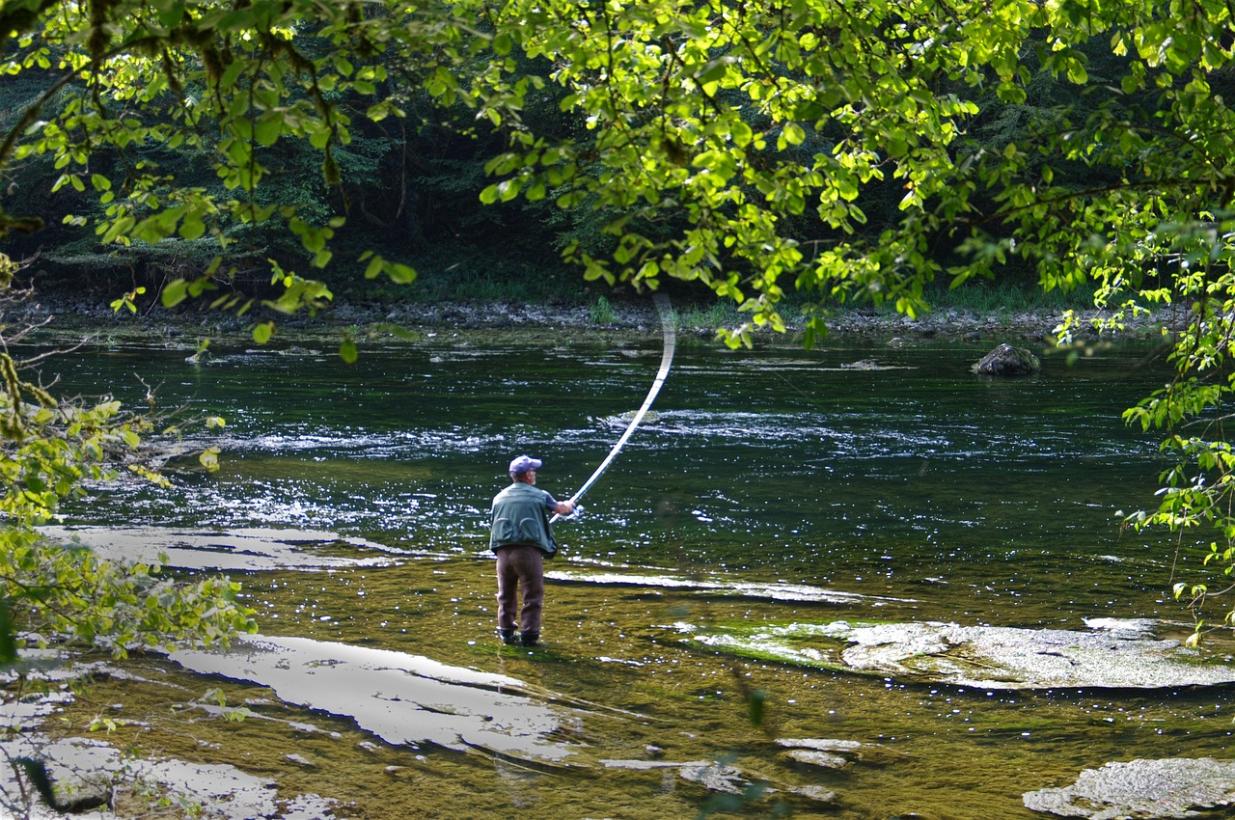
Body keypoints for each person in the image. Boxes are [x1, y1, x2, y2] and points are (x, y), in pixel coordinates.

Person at [489, 455, 575, 646]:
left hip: (502, 554)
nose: (534, 474)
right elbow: (561, 509)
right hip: (527, 553)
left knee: (505, 594)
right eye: (533, 471)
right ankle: (529, 636)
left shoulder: (498, 498)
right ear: (527, 475)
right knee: (532, 595)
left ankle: (506, 634)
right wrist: (570, 505)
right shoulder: (540, 495)